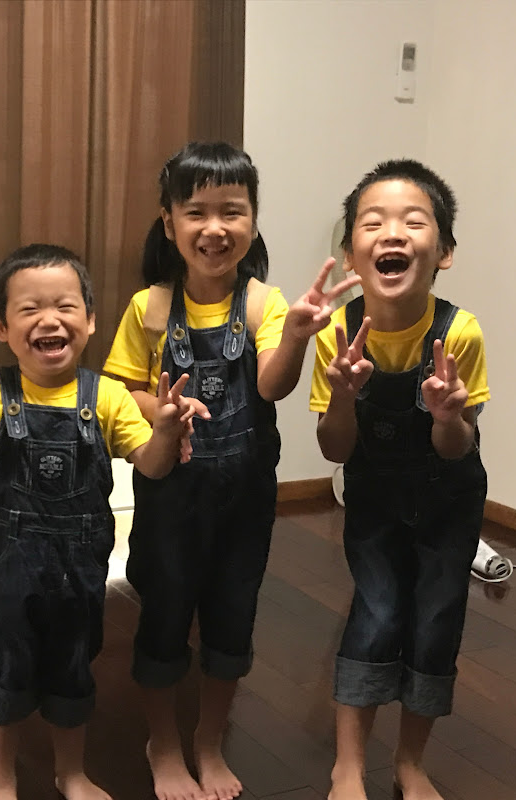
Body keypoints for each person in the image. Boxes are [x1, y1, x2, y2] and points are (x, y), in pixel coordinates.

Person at [103, 141, 359, 800]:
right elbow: (121, 390)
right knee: (163, 618)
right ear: (169, 223)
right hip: (170, 495)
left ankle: (209, 741)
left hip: (244, 500)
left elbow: (271, 387)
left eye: (232, 211)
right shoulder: (150, 307)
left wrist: (297, 335)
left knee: (232, 620)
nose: (215, 228)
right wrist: (162, 410)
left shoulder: (264, 304)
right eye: (197, 212)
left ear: (253, 219)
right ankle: (163, 743)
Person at [0, 244, 195, 800]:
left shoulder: (107, 396)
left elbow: (153, 466)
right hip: (8, 571)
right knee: (9, 667)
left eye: (65, 306)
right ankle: (0, 781)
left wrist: (165, 431)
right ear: (1, 326)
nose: (49, 319)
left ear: (90, 321)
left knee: (73, 667)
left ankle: (72, 774)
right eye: (29, 308)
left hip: (79, 571)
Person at [309, 160, 489, 800]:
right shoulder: (337, 332)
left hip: (449, 501)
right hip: (375, 500)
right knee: (378, 612)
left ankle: (410, 764)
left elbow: (456, 449)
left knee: (436, 621)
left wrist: (447, 416)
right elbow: (335, 447)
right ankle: (347, 766)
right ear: (351, 254)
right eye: (373, 223)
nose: (392, 233)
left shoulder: (459, 332)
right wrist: (343, 397)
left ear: (444, 252)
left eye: (414, 222)